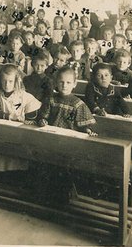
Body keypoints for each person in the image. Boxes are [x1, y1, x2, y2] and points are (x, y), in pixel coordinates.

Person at [35, 66, 97, 204]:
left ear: (74, 84)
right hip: (50, 138)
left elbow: (84, 125)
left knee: (63, 169)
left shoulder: (78, 104)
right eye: (61, 82)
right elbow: (42, 116)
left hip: (69, 143)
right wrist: (42, 121)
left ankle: (62, 198)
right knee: (44, 165)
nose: (64, 85)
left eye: (68, 83)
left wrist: (87, 130)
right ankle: (43, 196)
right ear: (56, 82)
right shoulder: (51, 99)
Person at [0, 64, 41, 173]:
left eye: (10, 81)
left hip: (18, 136)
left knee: (17, 153)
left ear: (16, 81)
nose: (6, 84)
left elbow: (32, 114)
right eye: (4, 81)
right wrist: (9, 116)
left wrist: (27, 119)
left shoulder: (24, 96)